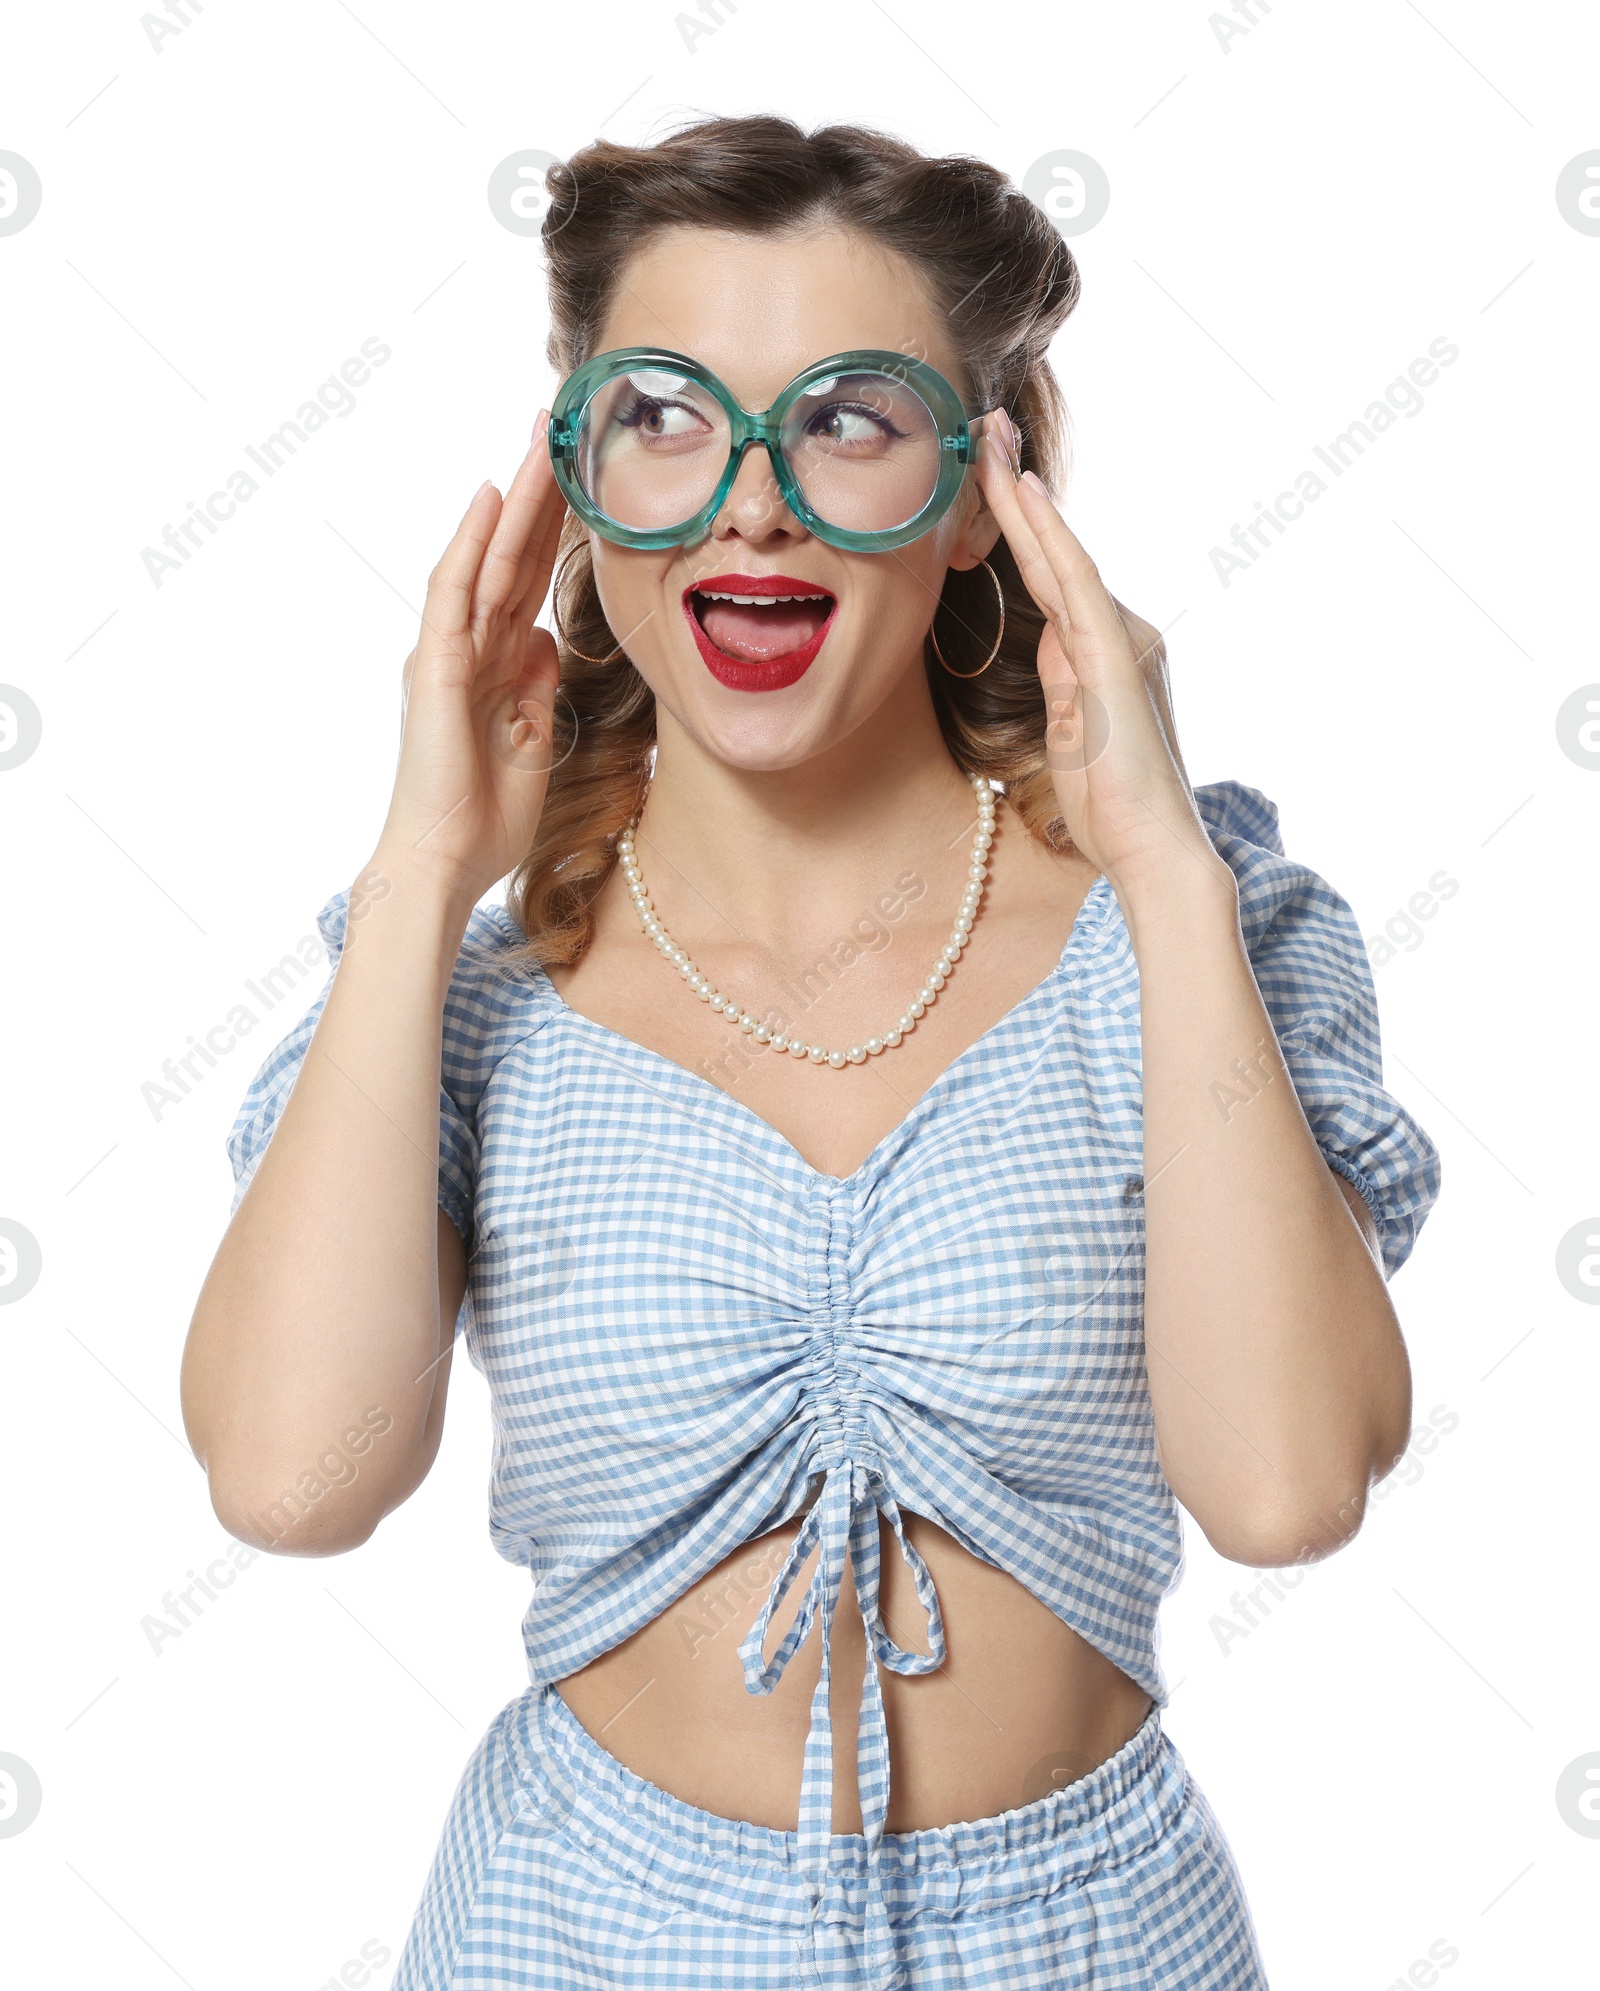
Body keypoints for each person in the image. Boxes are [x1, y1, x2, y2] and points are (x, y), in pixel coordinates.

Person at [181, 114, 1441, 1990]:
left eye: (847, 419)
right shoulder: (470, 973)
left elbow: (1285, 1492)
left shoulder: (1190, 936)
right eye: (667, 415)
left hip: (1094, 1938)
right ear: (578, 474)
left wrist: (1162, 860)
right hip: (575, 1927)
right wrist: (424, 862)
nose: (747, 502)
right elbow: (293, 1484)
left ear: (974, 494)